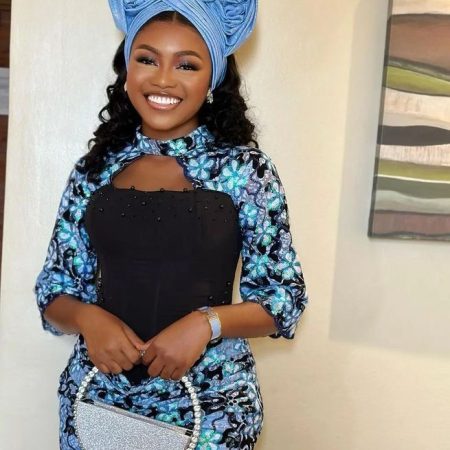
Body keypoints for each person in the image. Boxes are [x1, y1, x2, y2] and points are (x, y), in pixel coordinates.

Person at [34, 1, 309, 449]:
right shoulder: (94, 171)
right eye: (147, 59)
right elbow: (54, 289)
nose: (163, 79)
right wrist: (87, 317)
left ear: (213, 78)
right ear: (127, 69)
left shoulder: (245, 171)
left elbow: (284, 297)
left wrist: (206, 324)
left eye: (186, 65)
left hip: (213, 407)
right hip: (97, 398)